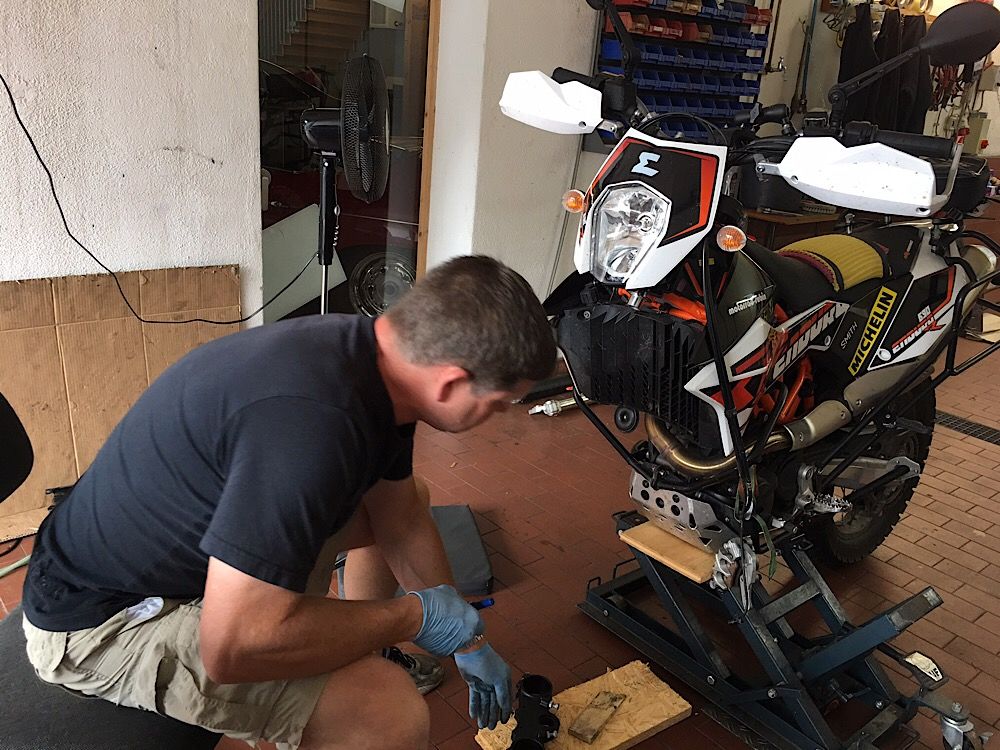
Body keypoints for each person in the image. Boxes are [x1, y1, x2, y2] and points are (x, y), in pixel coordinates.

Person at [20, 255, 556, 750]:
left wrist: (465, 638)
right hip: (102, 621)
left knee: (407, 495)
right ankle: (349, 672)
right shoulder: (312, 430)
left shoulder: (370, 361)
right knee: (385, 712)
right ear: (451, 382)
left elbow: (401, 519)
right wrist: (410, 618)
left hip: (185, 560)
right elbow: (234, 648)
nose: (498, 417)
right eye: (498, 404)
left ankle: (357, 648)